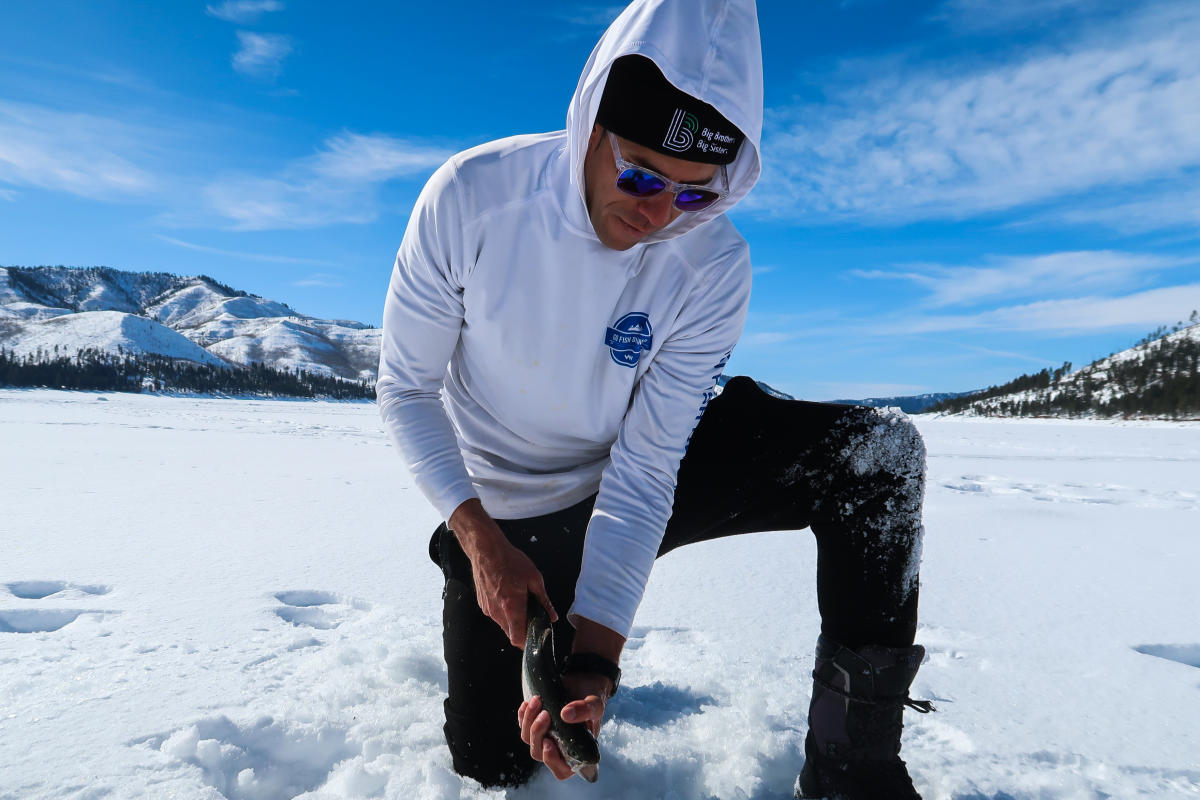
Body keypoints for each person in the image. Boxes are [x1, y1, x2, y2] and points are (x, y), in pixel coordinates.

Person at [376, 0, 932, 797]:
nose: (658, 213)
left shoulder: (714, 265)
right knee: (493, 762)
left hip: (643, 470)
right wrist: (479, 540)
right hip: (506, 513)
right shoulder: (473, 198)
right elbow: (405, 388)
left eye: (694, 194)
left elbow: (645, 469)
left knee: (879, 456)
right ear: (591, 128)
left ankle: (855, 768)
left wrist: (597, 657)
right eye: (639, 175)